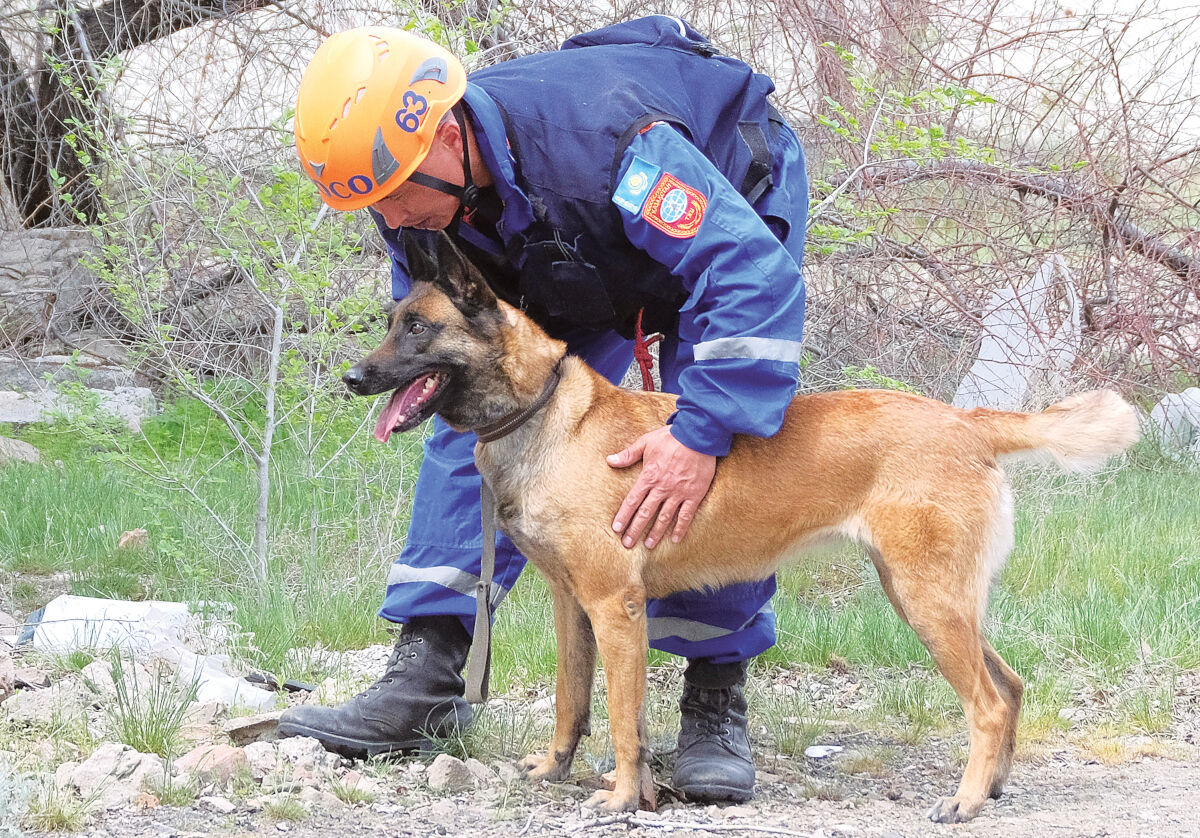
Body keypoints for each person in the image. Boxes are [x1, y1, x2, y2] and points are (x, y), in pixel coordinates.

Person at [280, 16, 808, 804]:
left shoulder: (615, 147)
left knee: (709, 449)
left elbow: (748, 276)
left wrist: (698, 434)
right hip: (574, 257)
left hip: (721, 227)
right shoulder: (414, 197)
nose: (391, 223)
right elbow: (440, 343)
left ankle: (712, 695)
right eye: (374, 207)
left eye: (397, 198)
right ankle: (428, 667)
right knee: (482, 404)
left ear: (448, 139)